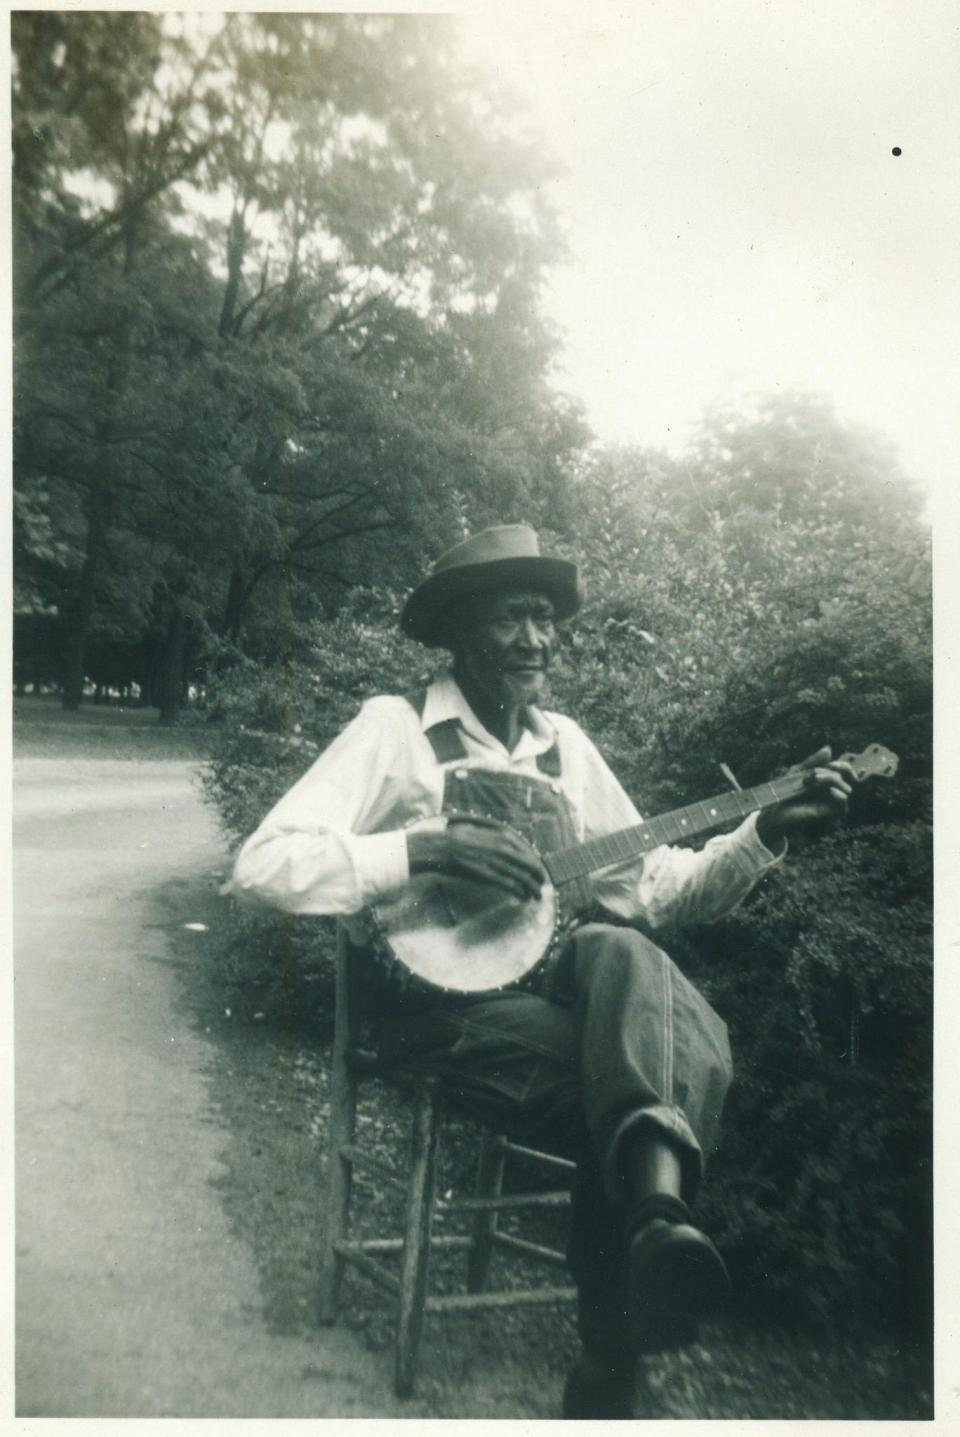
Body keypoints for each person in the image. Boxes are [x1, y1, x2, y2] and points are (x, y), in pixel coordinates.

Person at [229, 524, 853, 1418]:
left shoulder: (567, 747)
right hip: (432, 1013)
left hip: (555, 999)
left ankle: (650, 1231)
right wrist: (419, 850)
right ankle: (617, 1345)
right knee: (650, 1066)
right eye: (512, 617)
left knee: (625, 948)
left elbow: (654, 890)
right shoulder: (396, 729)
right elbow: (263, 863)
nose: (537, 637)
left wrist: (766, 832)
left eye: (547, 619)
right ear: (459, 632)